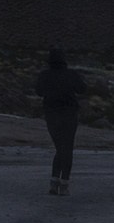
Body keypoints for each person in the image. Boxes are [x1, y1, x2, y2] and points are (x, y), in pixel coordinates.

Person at [35, 47, 87, 196]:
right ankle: (64, 184)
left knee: (59, 148)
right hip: (69, 115)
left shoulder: (45, 74)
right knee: (67, 148)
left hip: (52, 115)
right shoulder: (71, 74)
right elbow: (82, 89)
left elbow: (38, 92)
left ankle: (54, 182)